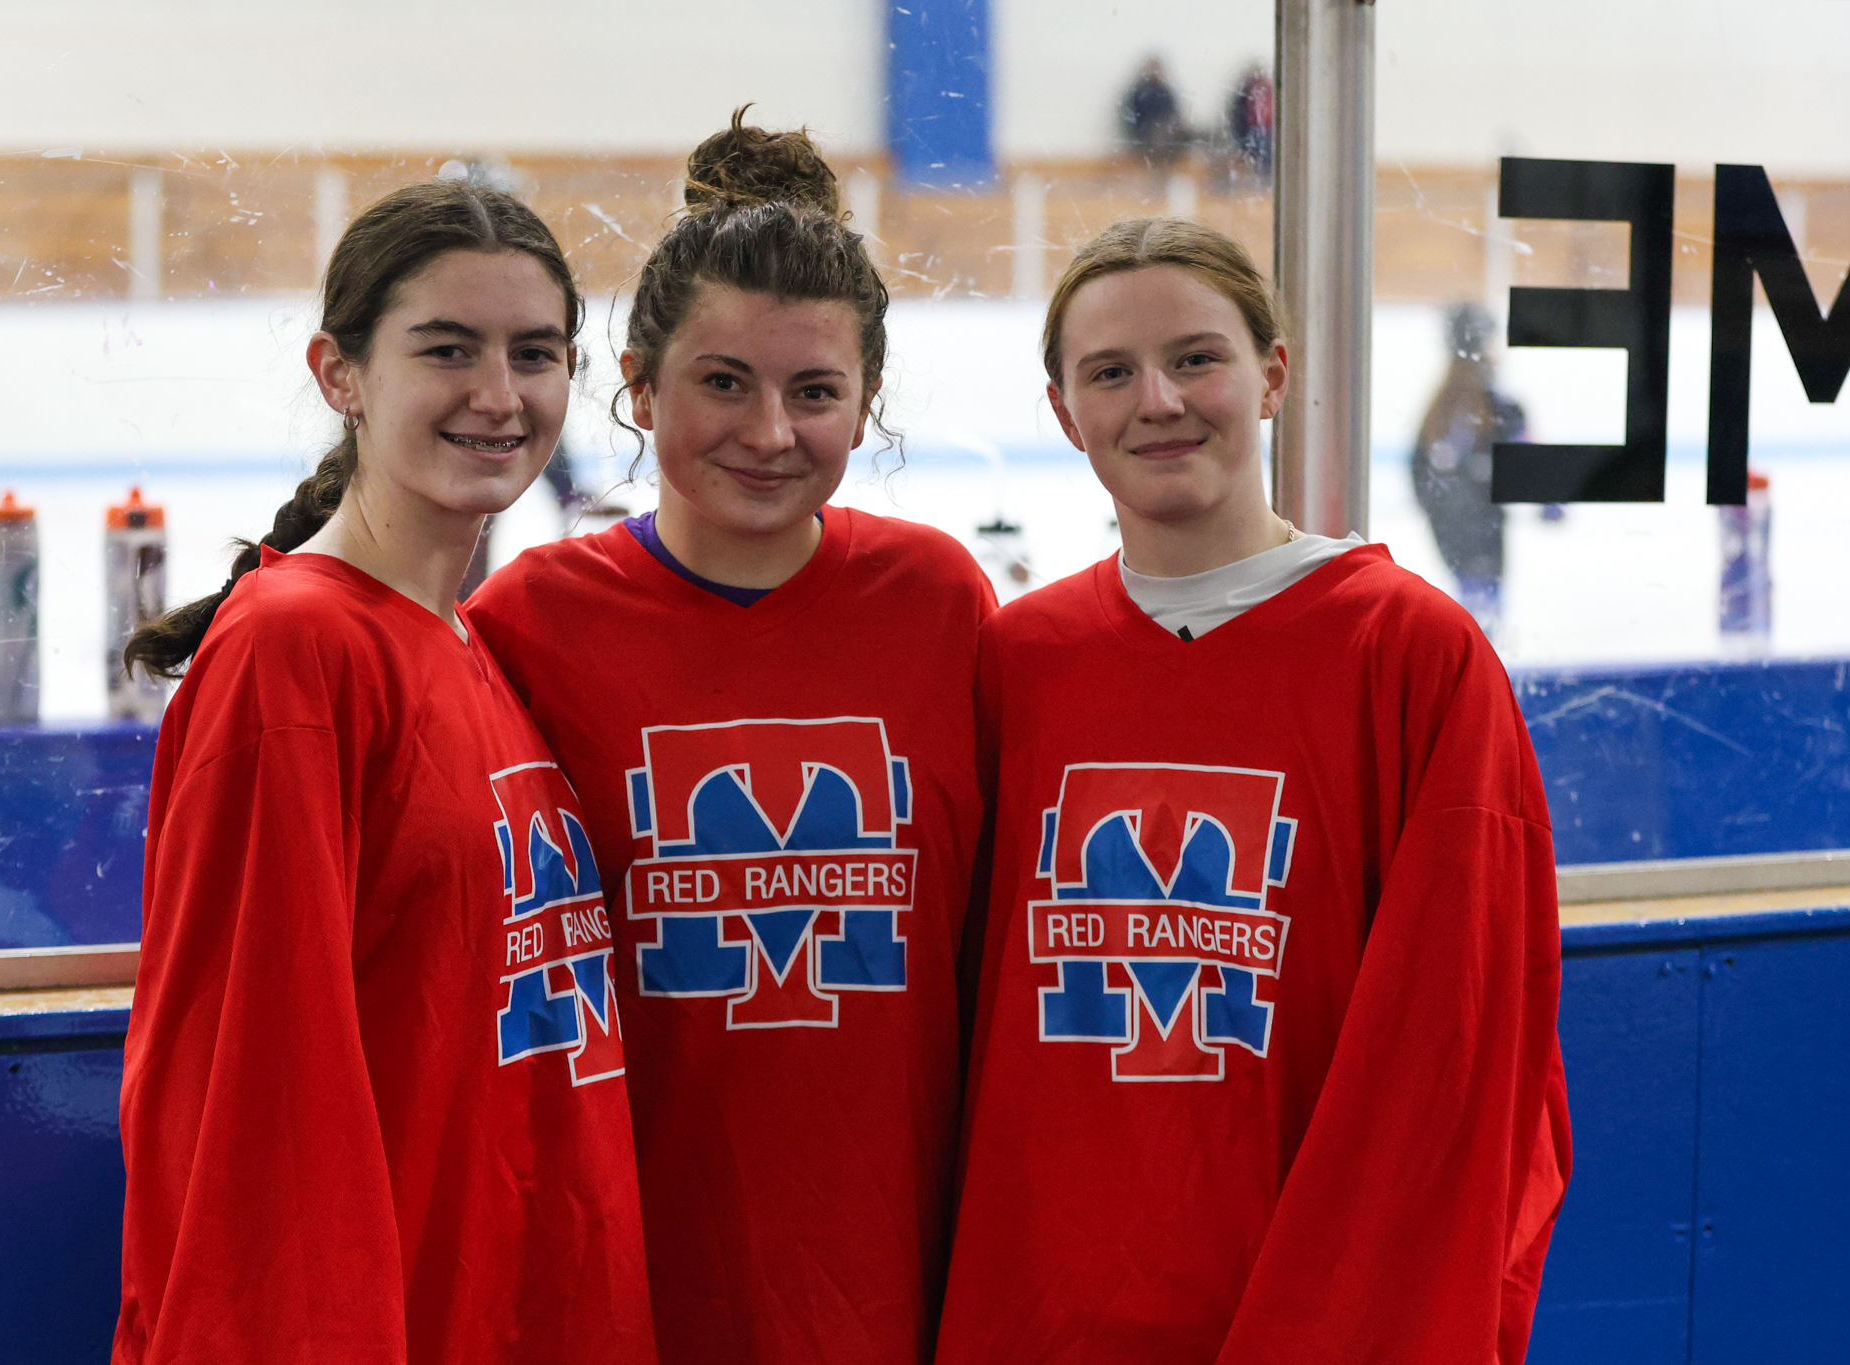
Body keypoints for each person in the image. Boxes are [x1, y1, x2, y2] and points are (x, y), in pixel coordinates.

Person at [934, 219, 1571, 1364]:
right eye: (1110, 373)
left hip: (1308, 1308)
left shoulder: (1409, 656)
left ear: (1272, 375)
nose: (1158, 401)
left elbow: (1457, 1059)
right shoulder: (1016, 660)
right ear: (1061, 408)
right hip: (1042, 1311)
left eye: (1194, 358)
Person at [467, 111, 995, 1364]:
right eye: (722, 382)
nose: (770, 432)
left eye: (814, 391)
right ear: (639, 385)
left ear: (866, 403)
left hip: (895, 1285)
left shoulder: (940, 603)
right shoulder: (526, 625)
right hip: (631, 1280)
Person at [114, 180, 656, 1365]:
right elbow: (255, 1094)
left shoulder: (469, 643)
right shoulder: (293, 651)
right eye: (446, 350)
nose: (499, 395)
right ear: (339, 373)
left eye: (535, 353)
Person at [1412, 302, 1527, 636]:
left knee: (1475, 604)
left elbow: (1421, 474)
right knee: (1480, 610)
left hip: (1457, 527)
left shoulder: (1444, 409)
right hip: (1474, 528)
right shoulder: (1490, 409)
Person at [1119, 57, 1189, 170]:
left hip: (1166, 138)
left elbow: (1175, 115)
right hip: (1146, 138)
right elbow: (1130, 121)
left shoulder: (1166, 92)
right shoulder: (1138, 93)